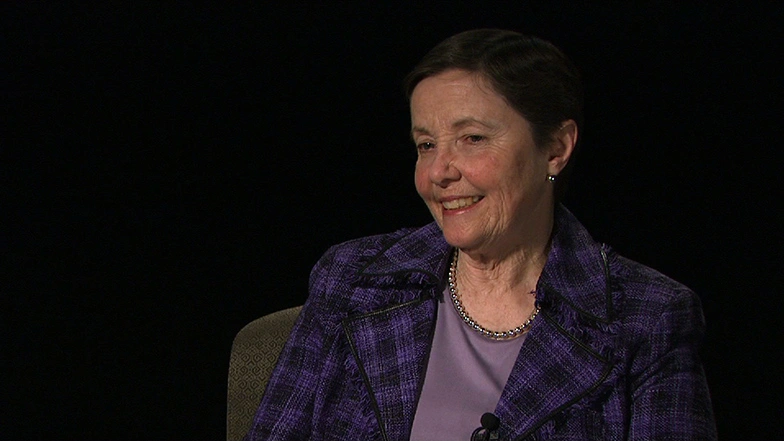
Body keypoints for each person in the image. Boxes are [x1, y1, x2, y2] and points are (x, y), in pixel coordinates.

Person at [244, 29, 717, 440]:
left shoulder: (648, 318)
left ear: (555, 147)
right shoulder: (353, 278)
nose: (438, 172)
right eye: (426, 145)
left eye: (472, 138)